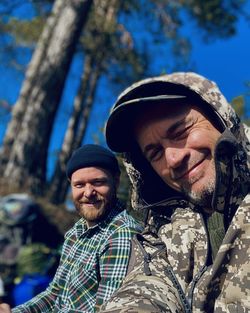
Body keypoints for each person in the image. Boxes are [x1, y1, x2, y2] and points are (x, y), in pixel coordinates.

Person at [99, 72, 250, 312]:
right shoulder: (162, 230)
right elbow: (147, 286)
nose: (173, 159)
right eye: (155, 153)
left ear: (220, 117)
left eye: (181, 133)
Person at [0, 144, 142, 313]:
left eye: (98, 182)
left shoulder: (122, 235)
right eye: (79, 185)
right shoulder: (76, 232)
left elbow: (104, 310)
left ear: (116, 181)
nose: (88, 192)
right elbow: (54, 294)